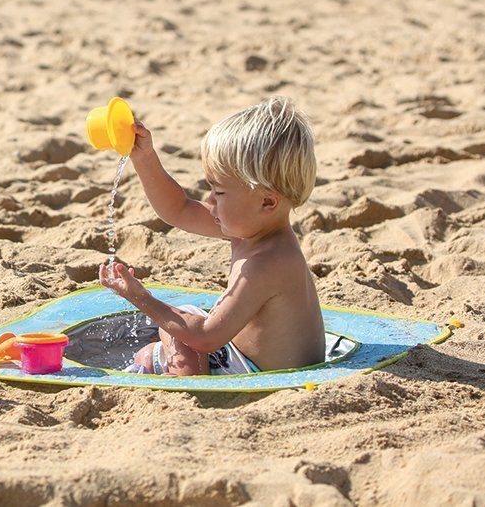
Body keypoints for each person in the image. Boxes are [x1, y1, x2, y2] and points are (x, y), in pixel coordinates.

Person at [99, 97, 325, 376]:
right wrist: (144, 158)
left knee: (180, 333)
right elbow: (179, 209)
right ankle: (155, 367)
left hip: (258, 374)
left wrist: (142, 298)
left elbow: (206, 336)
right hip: (238, 354)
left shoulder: (267, 262)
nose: (209, 200)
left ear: (267, 202)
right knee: (149, 352)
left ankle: (181, 391)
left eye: (219, 192)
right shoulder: (251, 226)